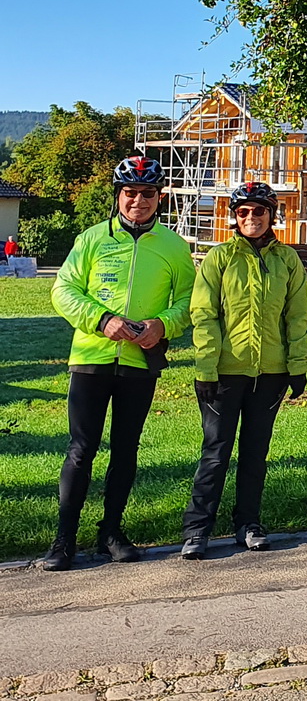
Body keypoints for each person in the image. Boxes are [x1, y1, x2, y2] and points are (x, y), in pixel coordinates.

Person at [42, 156, 194, 570]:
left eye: (147, 194)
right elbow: (63, 290)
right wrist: (102, 319)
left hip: (140, 361)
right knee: (81, 449)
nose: (138, 201)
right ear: (118, 195)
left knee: (126, 450)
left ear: (160, 197)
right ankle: (63, 540)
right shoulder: (92, 238)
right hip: (91, 357)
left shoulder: (174, 246)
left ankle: (110, 532)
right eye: (130, 193)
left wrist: (162, 325)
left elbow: (188, 302)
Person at [181, 181, 307, 559]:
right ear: (234, 218)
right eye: (243, 212)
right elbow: (204, 314)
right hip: (225, 372)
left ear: (272, 214)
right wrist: (206, 368)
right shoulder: (219, 258)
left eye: (259, 211)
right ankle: (197, 529)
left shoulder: (287, 260)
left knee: (255, 454)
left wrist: (297, 366)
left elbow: (297, 317)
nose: (251, 217)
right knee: (215, 453)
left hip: (270, 373)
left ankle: (248, 522)